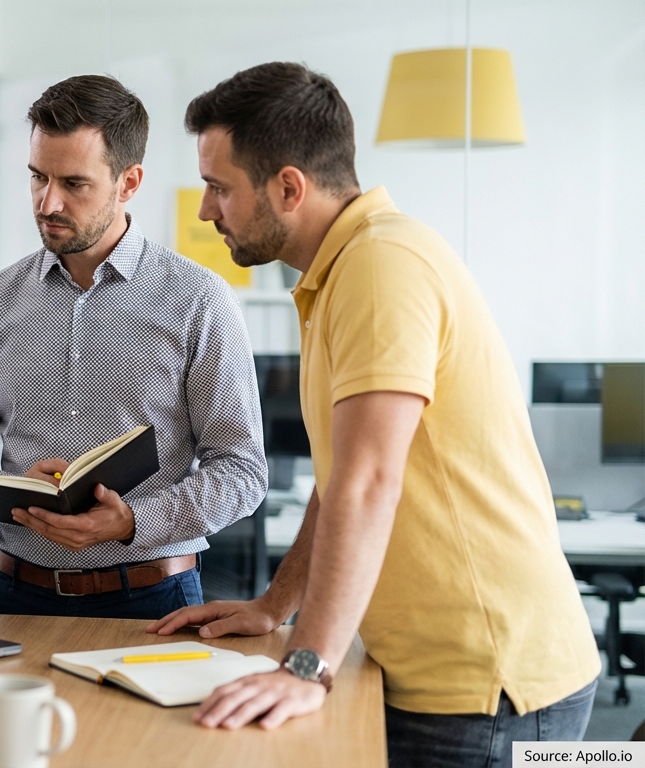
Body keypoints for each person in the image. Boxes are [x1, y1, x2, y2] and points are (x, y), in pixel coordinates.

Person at [146, 63, 599, 766]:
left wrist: (307, 664)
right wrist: (276, 605)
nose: (207, 211)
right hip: (441, 674)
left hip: (488, 685)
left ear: (288, 188)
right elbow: (338, 476)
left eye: (219, 188)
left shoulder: (380, 266)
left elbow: (368, 480)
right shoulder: (342, 272)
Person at [0, 75, 267, 620]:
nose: (48, 201)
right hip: (12, 597)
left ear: (128, 182)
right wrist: (9, 490)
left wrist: (134, 520)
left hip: (152, 601)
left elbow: (241, 471)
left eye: (75, 183)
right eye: (37, 177)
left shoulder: (198, 298)